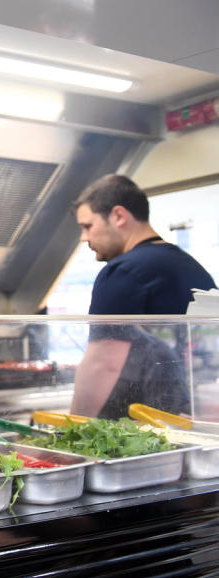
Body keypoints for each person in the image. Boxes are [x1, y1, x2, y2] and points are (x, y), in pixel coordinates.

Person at [70, 174, 216, 418]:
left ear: (118, 216)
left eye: (88, 226)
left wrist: (70, 431)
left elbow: (103, 364)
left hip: (136, 429)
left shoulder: (122, 273)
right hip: (185, 420)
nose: (84, 238)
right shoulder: (191, 267)